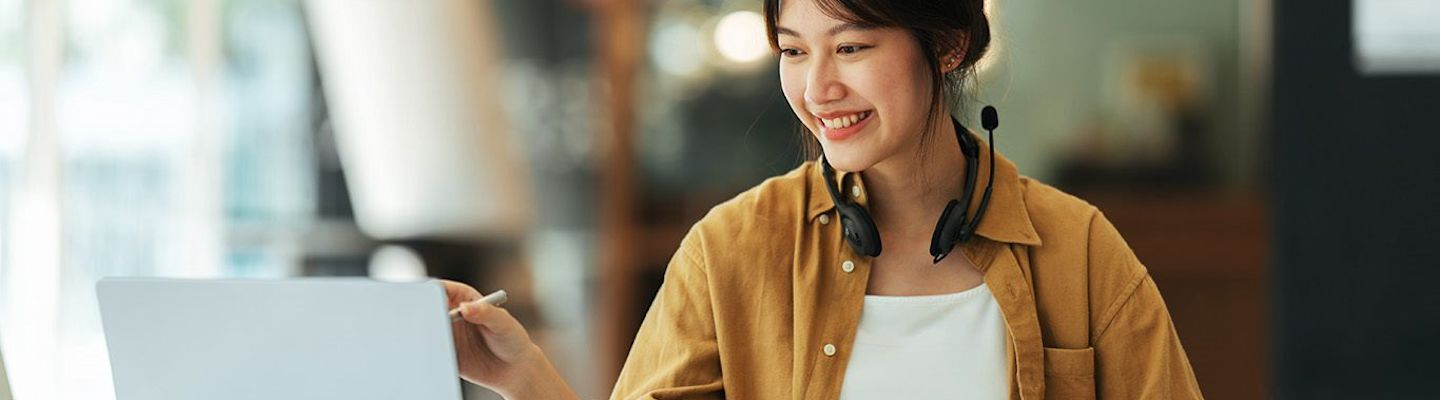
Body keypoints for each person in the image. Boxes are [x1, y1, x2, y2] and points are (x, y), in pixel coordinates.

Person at [446, 0, 1203, 397]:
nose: (817, 89)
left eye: (851, 47)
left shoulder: (1081, 252)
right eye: (793, 50)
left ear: (946, 45)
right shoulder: (733, 250)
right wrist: (525, 379)